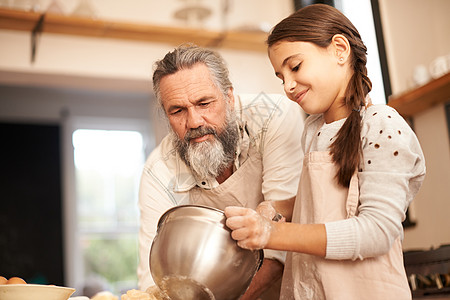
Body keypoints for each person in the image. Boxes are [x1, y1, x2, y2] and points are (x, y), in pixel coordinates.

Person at [224, 4, 426, 300]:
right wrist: (277, 207)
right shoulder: (314, 130)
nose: (288, 86)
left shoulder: (382, 125)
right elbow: (332, 199)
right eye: (281, 77)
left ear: (340, 50)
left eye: (295, 67)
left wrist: (272, 234)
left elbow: (376, 231)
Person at [137, 44, 306, 299]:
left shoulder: (274, 118)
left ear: (229, 97)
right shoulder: (158, 171)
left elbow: (279, 236)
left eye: (204, 103)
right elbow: (154, 278)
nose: (194, 122)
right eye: (177, 111)